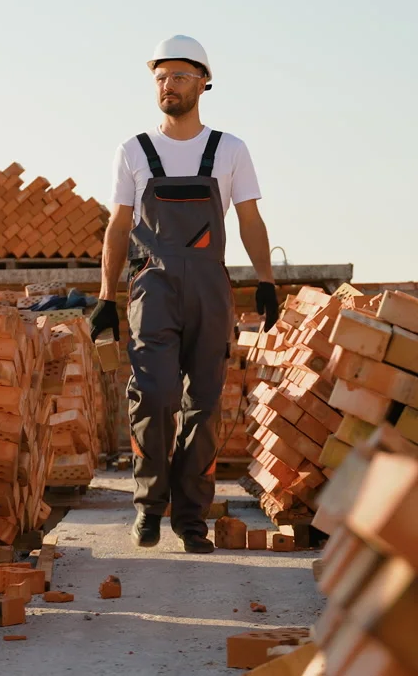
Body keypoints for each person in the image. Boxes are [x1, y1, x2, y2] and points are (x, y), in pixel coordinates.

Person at [90, 35, 278, 554]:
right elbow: (117, 225)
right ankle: (149, 507)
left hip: (210, 288)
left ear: (203, 82)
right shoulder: (133, 150)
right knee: (153, 396)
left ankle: (191, 519)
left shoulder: (229, 149)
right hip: (153, 285)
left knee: (204, 406)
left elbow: (250, 219)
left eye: (177, 76)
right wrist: (107, 296)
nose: (166, 85)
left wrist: (265, 280)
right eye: (159, 77)